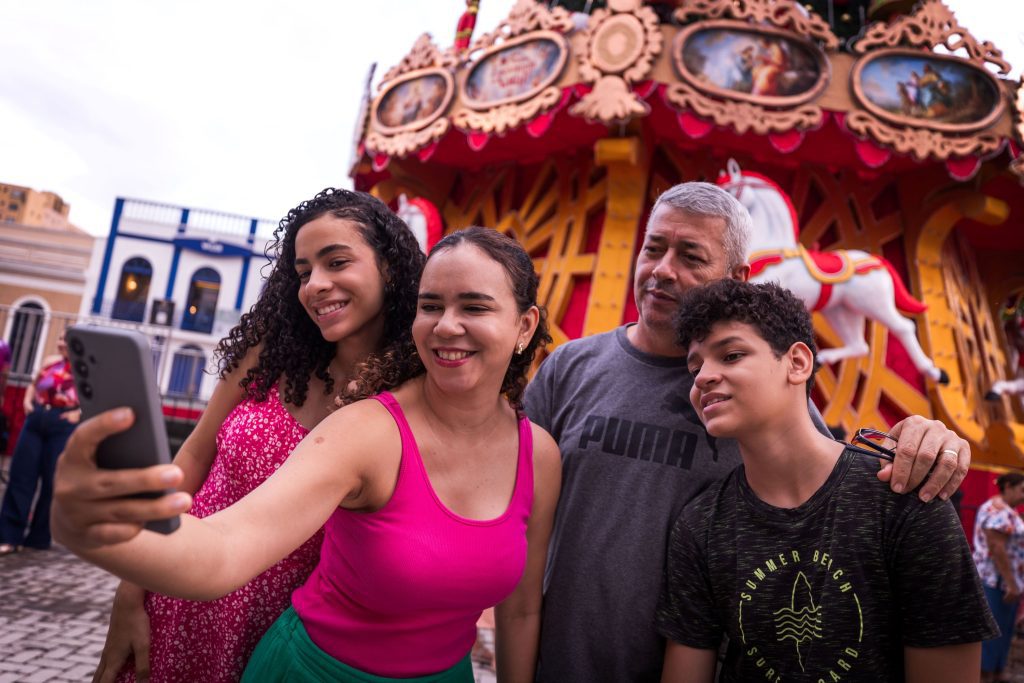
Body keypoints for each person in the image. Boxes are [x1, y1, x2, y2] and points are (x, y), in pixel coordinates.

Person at [53, 226, 561, 682]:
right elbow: (225, 549)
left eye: (474, 307)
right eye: (430, 306)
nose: (446, 326)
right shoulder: (366, 430)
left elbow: (520, 611)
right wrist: (106, 533)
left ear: (524, 326)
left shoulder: (538, 455)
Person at [523, 181, 974, 682]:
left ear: (737, 278)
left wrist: (933, 441)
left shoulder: (759, 405)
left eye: (691, 256)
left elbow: (824, 468)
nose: (662, 269)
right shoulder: (568, 368)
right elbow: (509, 516)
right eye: (653, 248)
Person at [96, 188, 426, 683]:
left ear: (391, 268)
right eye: (302, 272)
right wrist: (132, 587)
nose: (315, 284)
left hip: (293, 638)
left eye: (336, 262)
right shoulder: (269, 353)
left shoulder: (408, 400)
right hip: (178, 595)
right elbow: (192, 458)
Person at [657, 278, 997, 682]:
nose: (703, 377)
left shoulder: (903, 495)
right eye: (695, 366)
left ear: (797, 363)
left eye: (730, 355)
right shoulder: (700, 526)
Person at [0, 331, 79, 554]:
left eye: (65, 340)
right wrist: (27, 401)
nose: (60, 342)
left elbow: (97, 397)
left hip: (62, 424)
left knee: (52, 481)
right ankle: (9, 536)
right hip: (36, 419)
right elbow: (34, 385)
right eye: (60, 338)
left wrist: (79, 413)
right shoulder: (49, 362)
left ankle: (38, 538)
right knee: (21, 475)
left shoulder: (86, 369)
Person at [972, 471, 1024, 683]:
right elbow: (996, 547)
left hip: (1006, 582)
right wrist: (1011, 583)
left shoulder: (1007, 510)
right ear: (1008, 487)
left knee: (1003, 630)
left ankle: (995, 673)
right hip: (996, 582)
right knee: (993, 633)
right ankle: (986, 675)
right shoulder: (998, 511)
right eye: (1022, 490)